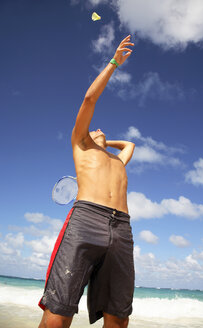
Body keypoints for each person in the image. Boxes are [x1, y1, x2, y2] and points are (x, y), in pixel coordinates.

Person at [38, 35, 135, 328]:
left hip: (121, 228)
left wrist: (105, 142)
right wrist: (114, 62)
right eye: (94, 129)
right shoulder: (80, 143)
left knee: (118, 318)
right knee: (58, 314)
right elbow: (90, 98)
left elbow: (129, 144)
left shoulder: (116, 159)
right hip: (87, 219)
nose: (99, 128)